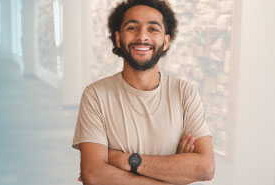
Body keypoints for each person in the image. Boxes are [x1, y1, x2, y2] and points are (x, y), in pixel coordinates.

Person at [72, 0, 215, 184]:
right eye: (132, 27)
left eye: (153, 29)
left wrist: (124, 160)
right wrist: (175, 173)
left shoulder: (184, 93)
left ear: (165, 41)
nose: (142, 36)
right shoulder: (96, 95)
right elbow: (94, 175)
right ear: (118, 38)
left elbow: (205, 167)